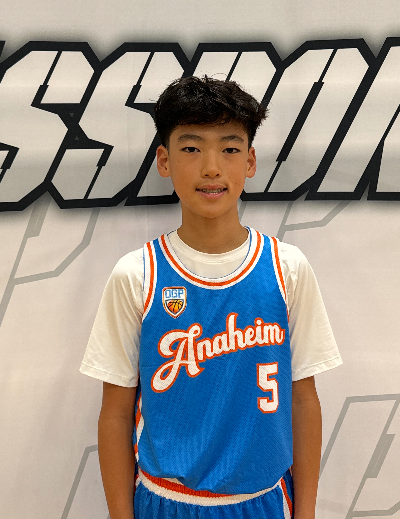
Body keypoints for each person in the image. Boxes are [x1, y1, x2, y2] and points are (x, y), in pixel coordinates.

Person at [80, 75, 343, 519]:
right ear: (164, 160)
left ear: (250, 161)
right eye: (191, 148)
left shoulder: (287, 268)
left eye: (229, 148)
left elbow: (303, 401)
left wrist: (307, 513)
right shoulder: (137, 274)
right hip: (165, 502)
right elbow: (115, 414)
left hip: (264, 501)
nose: (211, 168)